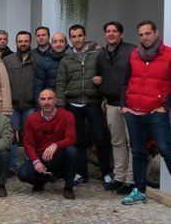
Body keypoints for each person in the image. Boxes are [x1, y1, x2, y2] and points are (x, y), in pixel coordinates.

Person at [120, 20, 171, 206]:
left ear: (156, 33)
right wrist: (123, 105)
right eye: (141, 34)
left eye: (147, 34)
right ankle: (139, 190)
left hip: (156, 112)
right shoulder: (134, 54)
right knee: (138, 152)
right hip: (133, 112)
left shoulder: (168, 54)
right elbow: (125, 80)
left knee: (166, 150)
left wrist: (166, 106)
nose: (144, 38)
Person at [56, 24, 112, 187]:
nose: (77, 39)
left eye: (80, 35)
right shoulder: (66, 58)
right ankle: (81, 173)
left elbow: (108, 72)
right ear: (70, 39)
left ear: (85, 36)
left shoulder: (97, 53)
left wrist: (102, 79)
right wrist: (60, 105)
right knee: (78, 141)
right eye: (73, 36)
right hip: (73, 104)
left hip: (93, 102)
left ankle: (107, 173)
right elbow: (60, 82)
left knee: (101, 139)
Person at [17, 89, 78, 200]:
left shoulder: (67, 116)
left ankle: (68, 187)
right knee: (23, 174)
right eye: (43, 99)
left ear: (55, 101)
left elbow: (71, 139)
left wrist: (56, 145)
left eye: (50, 98)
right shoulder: (31, 119)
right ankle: (41, 180)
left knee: (72, 151)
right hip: (41, 156)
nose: (46, 102)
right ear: (39, 102)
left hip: (60, 155)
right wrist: (36, 161)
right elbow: (28, 143)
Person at [96, 21, 135, 193]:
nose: (111, 34)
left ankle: (131, 179)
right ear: (105, 34)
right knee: (117, 142)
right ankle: (119, 177)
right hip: (111, 104)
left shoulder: (132, 51)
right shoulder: (101, 54)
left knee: (132, 143)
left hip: (130, 105)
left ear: (121, 34)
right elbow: (99, 75)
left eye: (114, 31)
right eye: (108, 31)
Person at [3, 31, 40, 175]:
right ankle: (12, 166)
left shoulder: (38, 60)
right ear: (16, 43)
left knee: (30, 137)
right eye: (20, 41)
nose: (23, 43)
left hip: (31, 105)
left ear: (30, 42)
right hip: (13, 105)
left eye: (26, 41)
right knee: (11, 137)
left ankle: (29, 164)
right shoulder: (8, 61)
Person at [33, 32, 68, 101]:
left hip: (70, 103)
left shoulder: (73, 59)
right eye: (55, 42)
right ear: (51, 44)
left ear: (66, 43)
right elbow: (38, 88)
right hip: (49, 102)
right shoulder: (43, 62)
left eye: (61, 41)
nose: (58, 44)